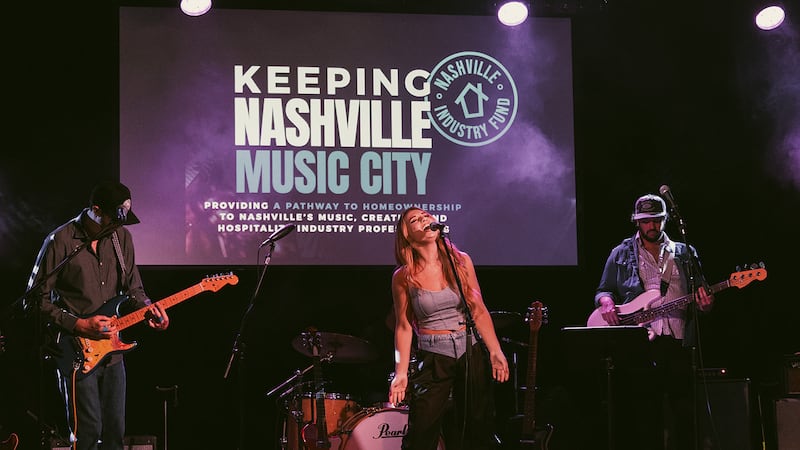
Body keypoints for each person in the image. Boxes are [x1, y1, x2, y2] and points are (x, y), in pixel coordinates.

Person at [24, 181, 170, 450]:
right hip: (76, 351)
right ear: (95, 210)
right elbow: (33, 301)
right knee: (88, 433)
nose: (117, 226)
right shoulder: (61, 241)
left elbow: (134, 288)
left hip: (113, 353)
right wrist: (78, 324)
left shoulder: (121, 238)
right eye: (112, 219)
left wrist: (148, 308)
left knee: (115, 432)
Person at [594, 193, 714, 450]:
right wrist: (605, 302)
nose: (652, 226)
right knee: (646, 417)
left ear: (665, 219)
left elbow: (702, 294)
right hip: (640, 344)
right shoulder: (620, 253)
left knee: (685, 417)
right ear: (637, 221)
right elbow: (603, 290)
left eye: (657, 220)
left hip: (678, 343)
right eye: (646, 221)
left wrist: (706, 304)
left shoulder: (684, 252)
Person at [388, 207, 509, 450]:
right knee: (422, 431)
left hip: (469, 349)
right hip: (434, 357)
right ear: (408, 236)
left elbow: (478, 309)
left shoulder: (461, 261)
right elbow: (403, 326)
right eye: (415, 220)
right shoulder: (403, 276)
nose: (424, 219)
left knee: (478, 427)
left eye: (426, 215)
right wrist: (401, 373)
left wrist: (495, 351)